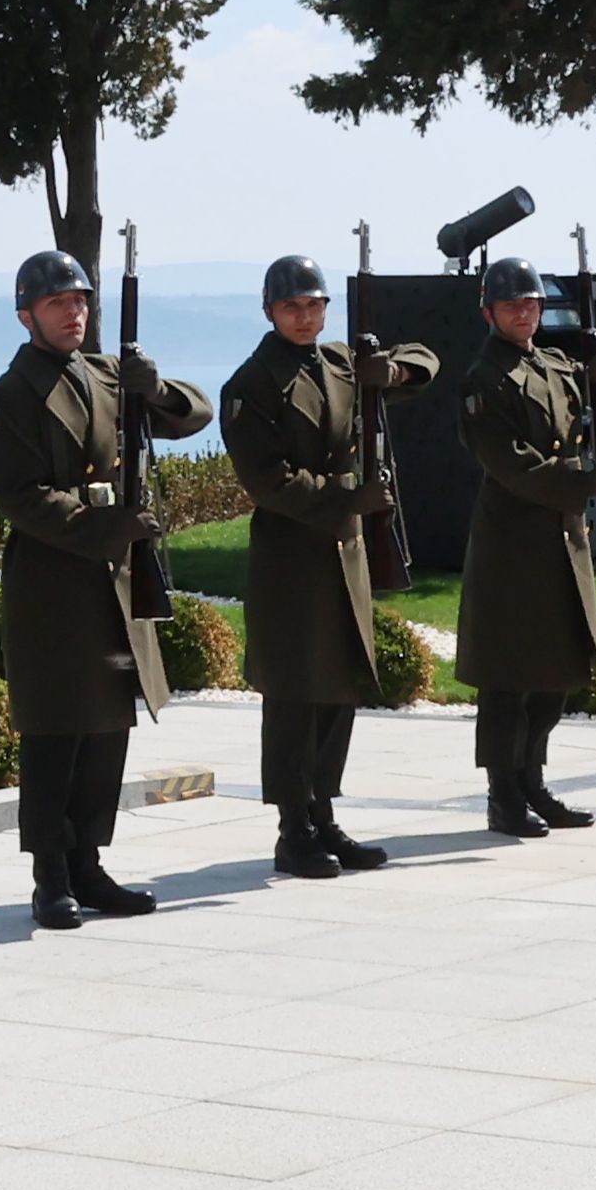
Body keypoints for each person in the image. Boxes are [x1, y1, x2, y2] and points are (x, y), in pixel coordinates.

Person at [0, 248, 217, 929]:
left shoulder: (110, 374)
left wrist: (154, 386)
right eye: (57, 302)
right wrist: (103, 525)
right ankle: (49, 874)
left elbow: (192, 414)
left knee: (108, 726)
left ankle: (89, 861)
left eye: (80, 301)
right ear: (26, 314)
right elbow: (20, 496)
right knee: (56, 732)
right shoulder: (10, 394)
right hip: (56, 582)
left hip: (115, 581)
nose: (72, 312)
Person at [217, 252, 432, 877]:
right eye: (292, 307)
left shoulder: (342, 362)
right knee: (294, 697)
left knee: (338, 691)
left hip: (345, 553)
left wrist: (387, 370)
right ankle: (293, 829)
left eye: (314, 306)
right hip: (293, 558)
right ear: (269, 310)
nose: (305, 317)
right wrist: (348, 499)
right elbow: (269, 483)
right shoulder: (251, 384)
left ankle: (324, 812)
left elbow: (427, 362)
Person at [455, 258, 596, 839]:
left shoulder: (553, 364)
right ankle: (503, 793)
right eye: (512, 306)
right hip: (515, 544)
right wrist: (585, 484)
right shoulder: (485, 381)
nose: (524, 313)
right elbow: (515, 469)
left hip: (561, 539)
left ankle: (532, 779)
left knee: (555, 674)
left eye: (531, 304)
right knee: (509, 680)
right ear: (489, 312)